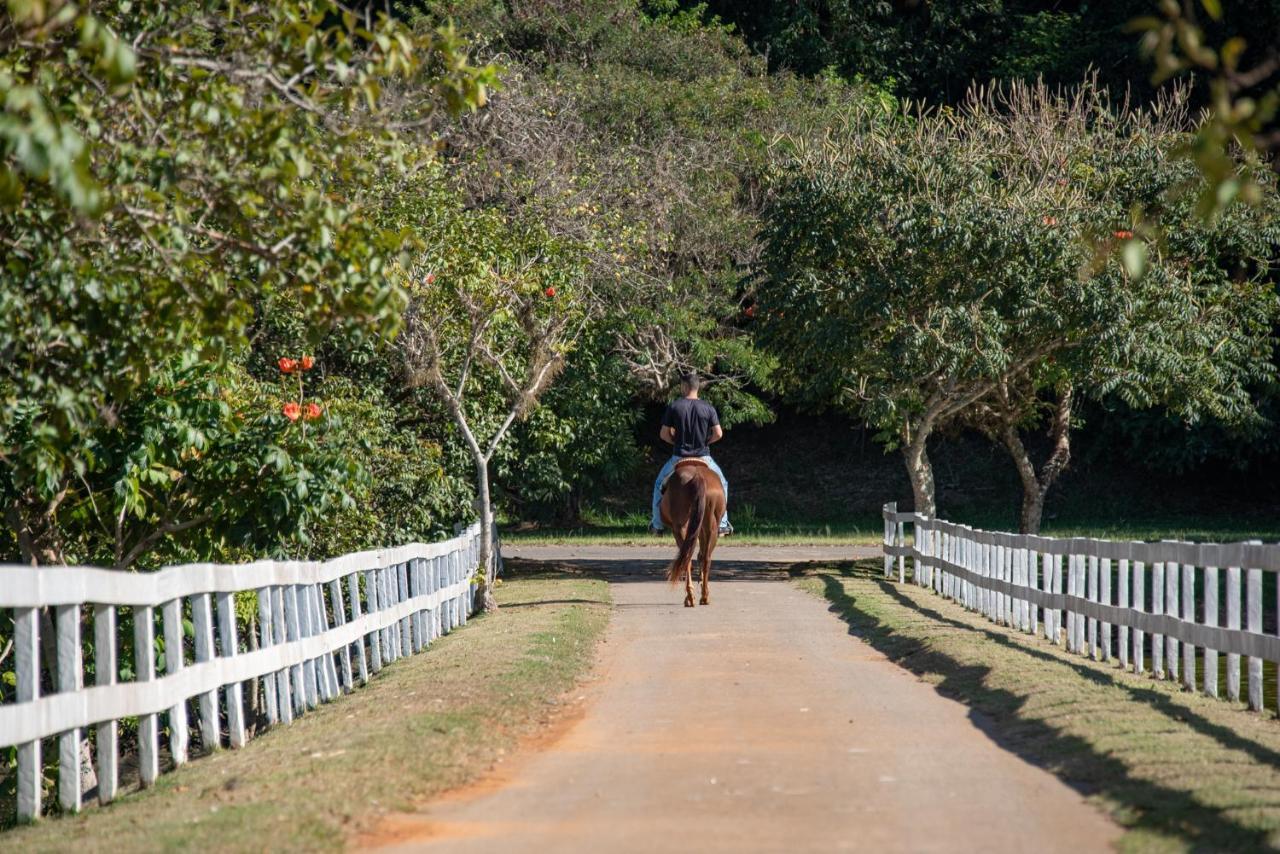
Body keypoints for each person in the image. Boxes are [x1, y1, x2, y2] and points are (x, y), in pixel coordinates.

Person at [649, 371, 731, 535]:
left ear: (684, 387)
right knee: (722, 484)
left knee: (659, 484)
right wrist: (705, 442)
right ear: (697, 387)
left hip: (680, 456)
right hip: (703, 457)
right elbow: (719, 434)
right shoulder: (708, 407)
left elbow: (664, 434)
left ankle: (657, 525)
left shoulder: (675, 406)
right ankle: (722, 523)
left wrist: (675, 441)